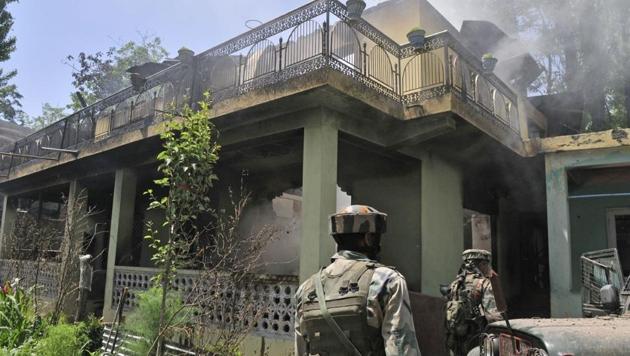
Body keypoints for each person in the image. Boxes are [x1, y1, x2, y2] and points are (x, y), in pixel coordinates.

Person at [294, 205, 421, 356]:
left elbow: (301, 349)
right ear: (368, 238)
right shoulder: (387, 281)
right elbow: (400, 347)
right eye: (376, 237)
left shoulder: (307, 289)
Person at [444, 249, 502, 356]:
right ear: (481, 264)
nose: (489, 267)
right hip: (475, 341)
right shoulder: (484, 284)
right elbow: (494, 318)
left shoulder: (455, 284)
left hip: (454, 341)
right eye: (486, 264)